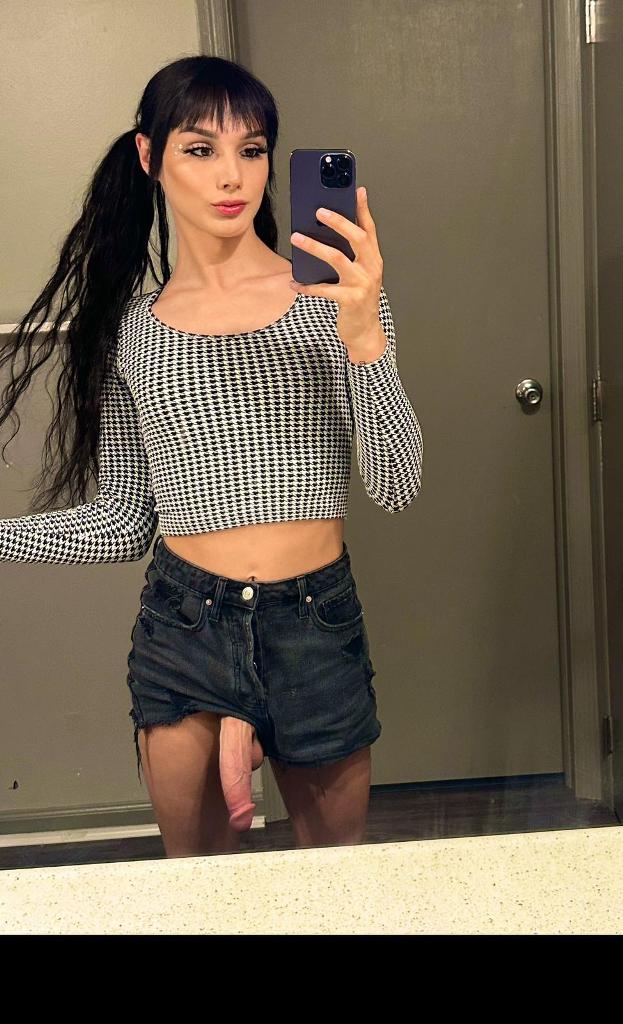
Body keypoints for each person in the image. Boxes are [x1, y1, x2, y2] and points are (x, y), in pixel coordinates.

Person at [0, 54, 423, 857]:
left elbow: (396, 484)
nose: (232, 175)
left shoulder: (332, 300)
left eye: (251, 149)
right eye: (200, 149)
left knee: (337, 885)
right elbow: (124, 522)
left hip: (314, 623)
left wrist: (365, 336)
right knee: (195, 887)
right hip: (183, 624)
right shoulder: (131, 329)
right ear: (149, 156)